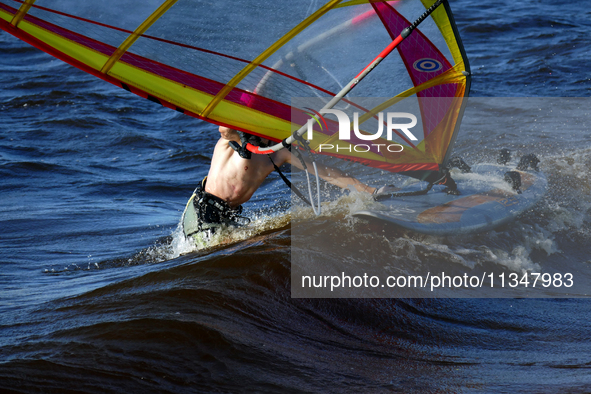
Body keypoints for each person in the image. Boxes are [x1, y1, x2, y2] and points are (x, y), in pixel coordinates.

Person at [182, 126, 377, 240]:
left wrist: (370, 190)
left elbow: (326, 173)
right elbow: (224, 128)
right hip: (203, 211)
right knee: (249, 246)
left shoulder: (280, 152)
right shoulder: (233, 139)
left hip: (227, 214)